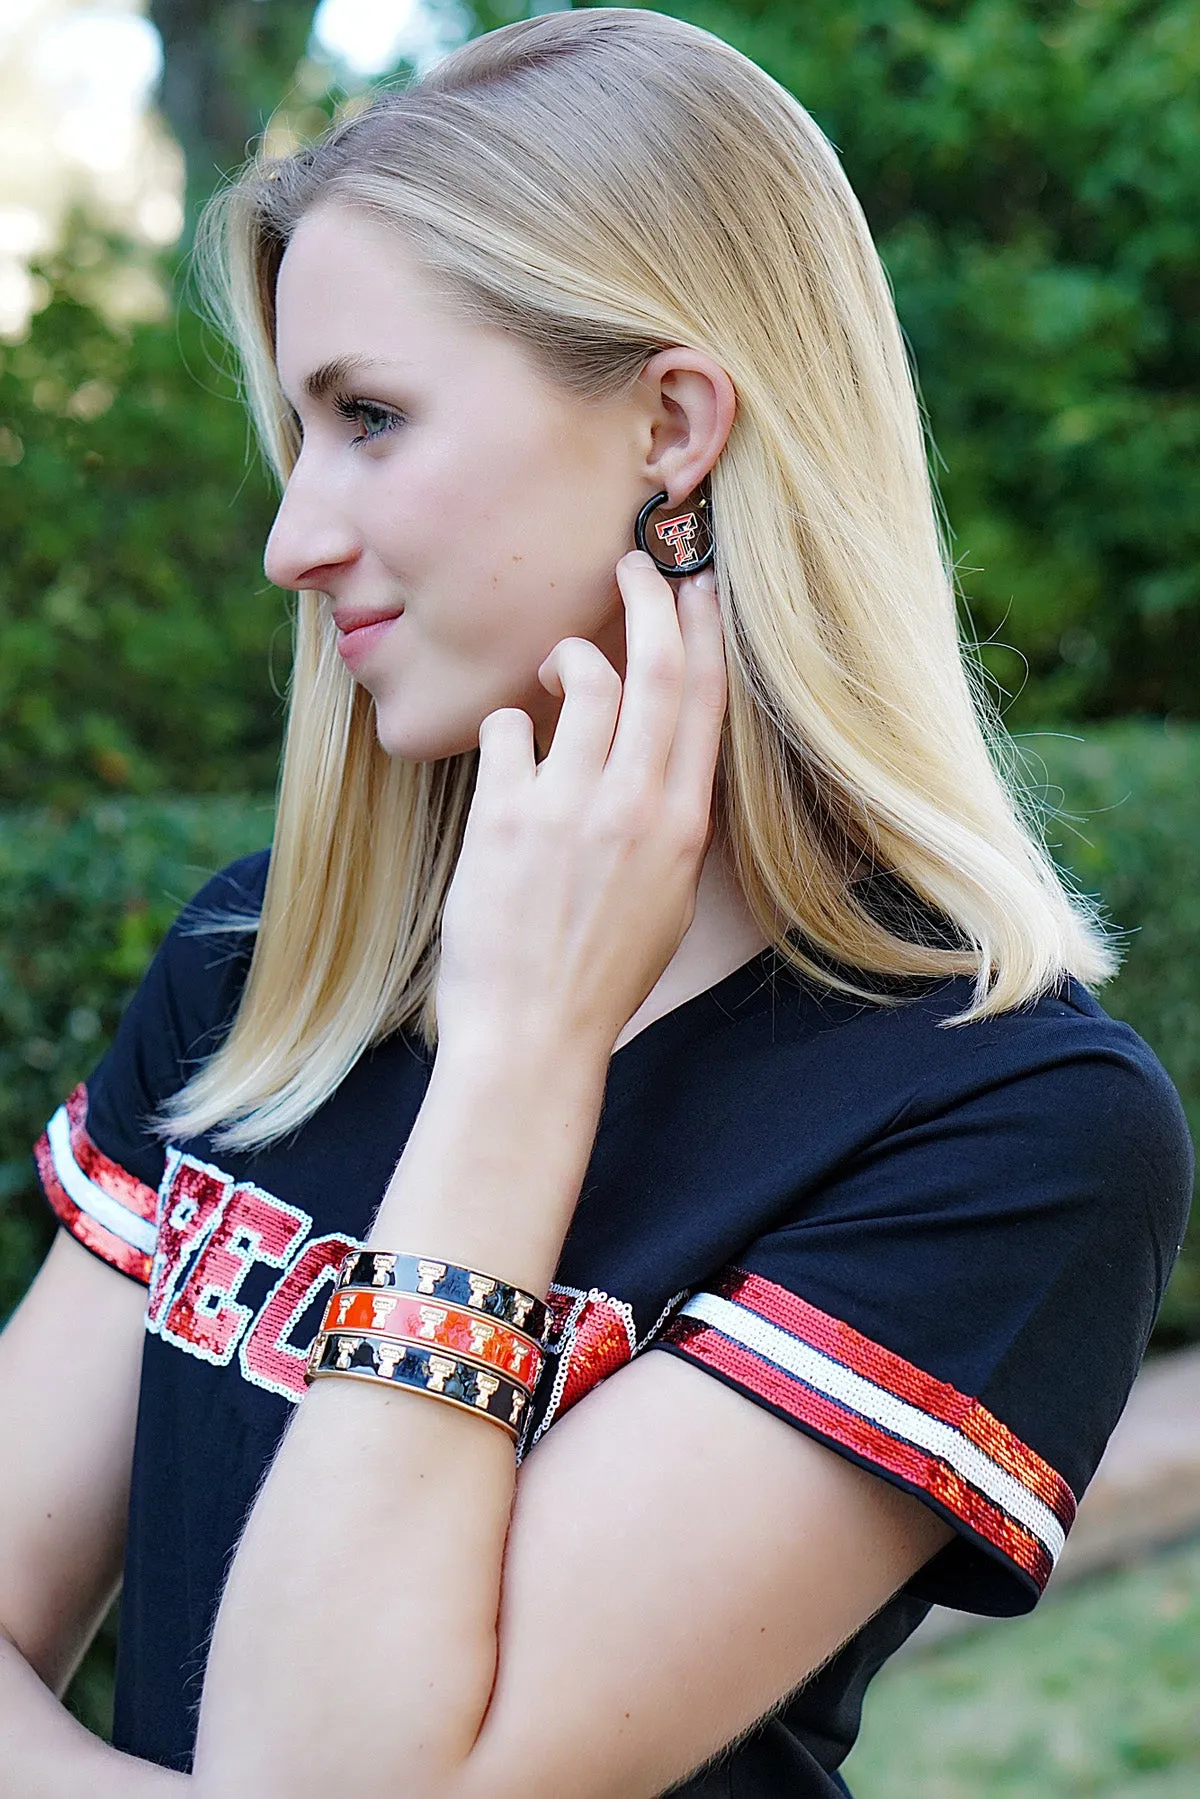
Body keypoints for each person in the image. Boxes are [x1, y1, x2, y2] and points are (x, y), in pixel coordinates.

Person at [1, 9, 1192, 1796]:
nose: (290, 537)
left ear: (670, 424)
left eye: (370, 417)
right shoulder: (260, 973)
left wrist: (522, 1058)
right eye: (300, 432)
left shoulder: (1006, 1129)